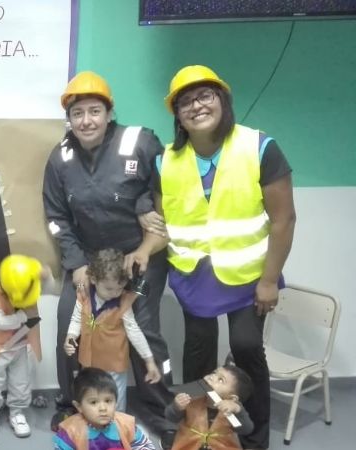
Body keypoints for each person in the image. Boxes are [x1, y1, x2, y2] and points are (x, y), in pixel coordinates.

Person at [139, 64, 295, 450]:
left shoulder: (259, 146)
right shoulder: (165, 161)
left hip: (248, 276)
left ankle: (254, 437)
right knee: (199, 356)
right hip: (195, 277)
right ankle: (200, 432)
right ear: (176, 114)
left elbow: (284, 219)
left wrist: (270, 280)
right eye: (185, 101)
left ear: (222, 100)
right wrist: (142, 248)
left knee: (245, 348)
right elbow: (165, 225)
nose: (196, 106)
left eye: (204, 95)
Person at [42, 71, 175, 439]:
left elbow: (168, 191)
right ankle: (74, 404)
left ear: (109, 112)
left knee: (144, 330)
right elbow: (57, 218)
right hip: (88, 262)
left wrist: (147, 221)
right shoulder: (60, 157)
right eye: (78, 113)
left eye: (94, 111)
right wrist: (77, 264)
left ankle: (162, 411)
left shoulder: (141, 142)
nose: (86, 120)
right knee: (70, 321)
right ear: (69, 119)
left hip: (139, 258)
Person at [63, 248, 162, 412]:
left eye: (119, 288)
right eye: (109, 289)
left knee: (115, 401)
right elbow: (76, 319)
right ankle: (93, 426)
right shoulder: (84, 294)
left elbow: (134, 332)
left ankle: (118, 429)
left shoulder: (123, 303)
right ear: (94, 279)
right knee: (91, 397)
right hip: (88, 363)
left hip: (114, 365)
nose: (115, 293)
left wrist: (149, 361)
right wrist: (71, 337)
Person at [0, 254, 42, 443]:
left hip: (19, 345)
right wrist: (23, 317)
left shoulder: (28, 283)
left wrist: (43, 273)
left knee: (20, 381)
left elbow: (42, 275)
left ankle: (17, 411)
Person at [54, 367, 156, 450]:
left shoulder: (126, 424)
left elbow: (145, 446)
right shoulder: (70, 431)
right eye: (93, 402)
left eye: (108, 401)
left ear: (116, 401)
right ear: (79, 406)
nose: (103, 408)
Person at [166, 365, 254, 450]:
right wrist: (177, 407)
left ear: (231, 398)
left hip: (221, 446)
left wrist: (237, 410)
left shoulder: (233, 409)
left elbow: (246, 430)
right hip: (189, 444)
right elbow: (171, 417)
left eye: (220, 380)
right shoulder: (192, 397)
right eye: (214, 373)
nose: (212, 377)